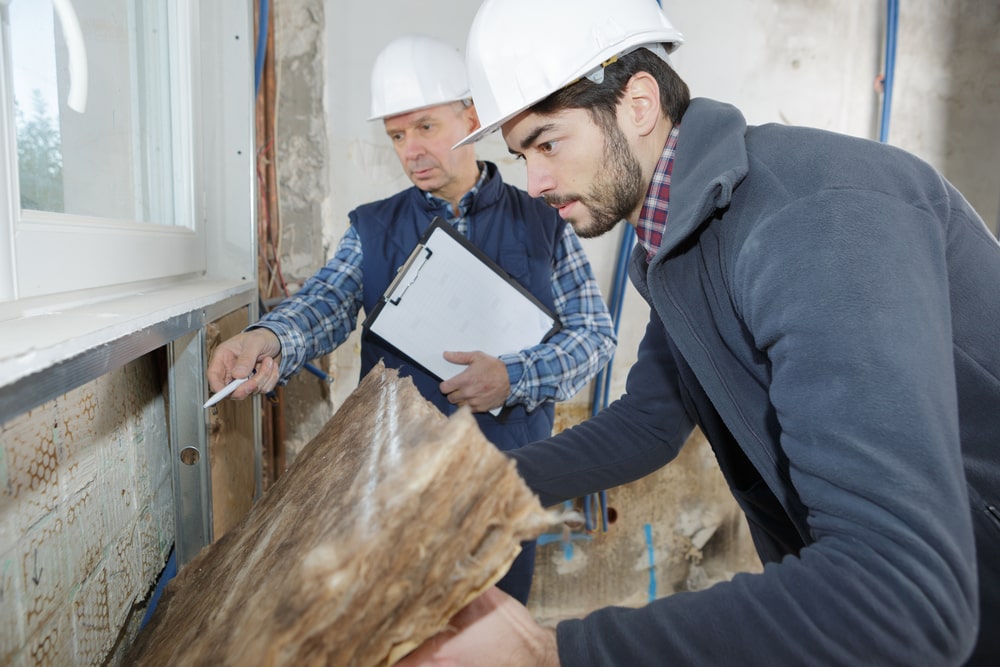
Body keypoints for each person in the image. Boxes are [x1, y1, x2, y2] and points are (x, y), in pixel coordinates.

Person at [397, 0, 1000, 665]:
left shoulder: (813, 216)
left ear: (638, 103)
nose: (535, 181)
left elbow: (901, 595)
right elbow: (651, 423)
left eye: (548, 142)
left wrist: (553, 653)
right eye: (520, 156)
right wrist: (480, 486)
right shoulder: (676, 244)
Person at [206, 33, 617, 606]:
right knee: (400, 626)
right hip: (398, 478)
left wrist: (515, 375)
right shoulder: (374, 228)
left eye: (426, 126)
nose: (412, 149)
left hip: (507, 473)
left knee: (495, 626)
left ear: (470, 117)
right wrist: (268, 336)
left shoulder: (544, 219)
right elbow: (325, 301)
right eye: (396, 135)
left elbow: (594, 337)